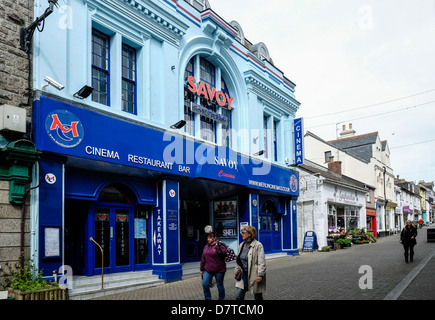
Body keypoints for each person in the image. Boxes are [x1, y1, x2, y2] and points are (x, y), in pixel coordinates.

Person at [235, 226, 266, 300]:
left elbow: (261, 261)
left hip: (254, 273)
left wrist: (260, 275)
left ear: (249, 234)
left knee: (257, 295)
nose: (241, 234)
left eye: (243, 233)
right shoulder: (241, 245)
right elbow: (238, 259)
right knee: (239, 295)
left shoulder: (258, 245)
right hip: (243, 274)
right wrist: (237, 270)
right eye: (241, 232)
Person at [200, 232, 227, 300]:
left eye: (210, 238)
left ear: (214, 238)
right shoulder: (206, 246)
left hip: (219, 269)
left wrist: (218, 246)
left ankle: (221, 298)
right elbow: (203, 258)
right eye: (207, 238)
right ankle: (208, 298)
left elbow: (224, 254)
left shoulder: (220, 245)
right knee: (205, 284)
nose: (208, 239)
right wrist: (202, 269)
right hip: (208, 269)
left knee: (219, 285)